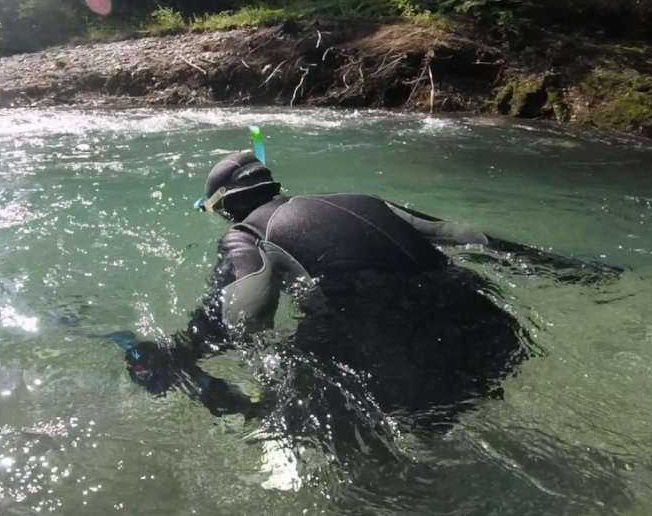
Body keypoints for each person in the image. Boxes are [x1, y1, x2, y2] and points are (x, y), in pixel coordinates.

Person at [122, 150, 617, 426]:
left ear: (225, 206)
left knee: (298, 424)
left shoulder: (246, 235)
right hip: (489, 330)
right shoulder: (363, 198)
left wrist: (180, 355)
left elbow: (242, 316)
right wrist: (570, 268)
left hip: (397, 355)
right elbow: (468, 236)